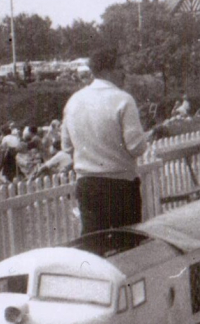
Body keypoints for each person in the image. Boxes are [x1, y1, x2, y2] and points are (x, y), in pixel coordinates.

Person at [61, 46, 149, 235]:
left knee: (94, 245)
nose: (124, 72)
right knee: (127, 245)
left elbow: (67, 146)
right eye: (119, 67)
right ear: (106, 70)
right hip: (120, 185)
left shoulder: (73, 101)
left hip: (88, 185)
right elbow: (136, 147)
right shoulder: (123, 100)